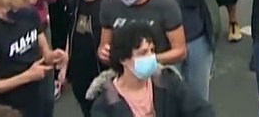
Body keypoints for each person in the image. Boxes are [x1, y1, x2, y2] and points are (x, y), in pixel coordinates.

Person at [86, 21, 214, 117]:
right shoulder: (104, 106)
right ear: (123, 59)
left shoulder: (167, 81)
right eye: (143, 53)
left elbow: (202, 110)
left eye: (152, 51)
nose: (151, 57)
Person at [64, 0, 109, 116]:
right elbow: (71, 30)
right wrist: (65, 64)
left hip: (101, 75)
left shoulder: (108, 3)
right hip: (79, 74)